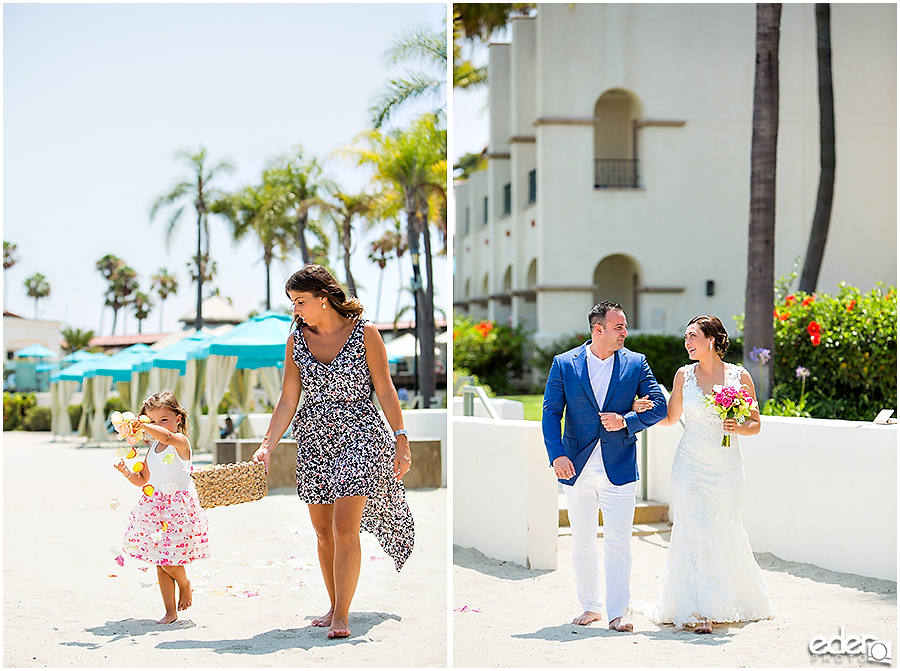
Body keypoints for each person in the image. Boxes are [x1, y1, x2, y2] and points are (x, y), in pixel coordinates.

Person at [252, 264, 414, 640]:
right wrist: (267, 445)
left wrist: (401, 438)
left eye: (301, 301)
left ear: (324, 299)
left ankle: (342, 614)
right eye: (293, 302)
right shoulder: (297, 341)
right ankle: (332, 603)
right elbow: (288, 399)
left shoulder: (365, 334)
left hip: (360, 435)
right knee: (323, 531)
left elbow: (386, 391)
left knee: (344, 527)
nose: (296, 310)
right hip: (313, 440)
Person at [633, 315, 774, 633]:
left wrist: (735, 426)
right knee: (695, 528)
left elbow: (755, 424)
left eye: (692, 336)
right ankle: (700, 611)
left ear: (711, 339)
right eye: (685, 337)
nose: (687, 343)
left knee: (722, 528)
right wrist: (643, 412)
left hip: (726, 468)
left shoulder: (740, 376)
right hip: (690, 466)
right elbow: (670, 418)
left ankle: (728, 599)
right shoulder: (684, 375)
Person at [542, 301, 667, 632]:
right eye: (618, 327)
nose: (625, 332)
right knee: (582, 541)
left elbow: (660, 408)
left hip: (620, 466)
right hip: (576, 467)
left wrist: (626, 420)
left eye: (625, 326)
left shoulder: (636, 364)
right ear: (598, 329)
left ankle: (617, 612)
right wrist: (557, 455)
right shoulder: (564, 364)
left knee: (619, 542)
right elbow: (550, 412)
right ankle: (590, 606)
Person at [114, 391, 209, 624]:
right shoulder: (152, 449)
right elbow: (143, 479)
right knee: (160, 561)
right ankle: (170, 611)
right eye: (152, 420)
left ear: (178, 418)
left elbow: (166, 437)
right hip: (154, 508)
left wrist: (145, 426)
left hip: (178, 509)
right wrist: (127, 473)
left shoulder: (180, 442)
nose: (157, 426)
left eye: (163, 419)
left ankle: (185, 584)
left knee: (169, 560)